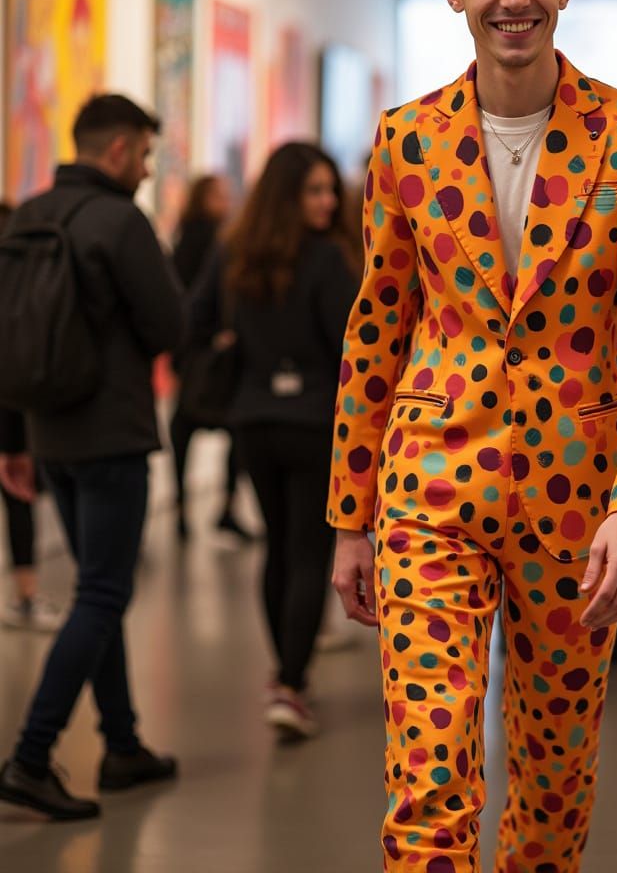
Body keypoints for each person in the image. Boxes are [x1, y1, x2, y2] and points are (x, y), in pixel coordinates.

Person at [327, 0, 617, 873]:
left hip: (578, 499)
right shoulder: (405, 139)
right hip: (428, 488)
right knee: (431, 777)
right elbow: (377, 330)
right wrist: (350, 515)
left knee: (553, 775)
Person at [0, 94, 184, 820]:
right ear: (116, 150)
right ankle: (31, 755)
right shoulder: (121, 221)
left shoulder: (28, 216)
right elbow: (168, 323)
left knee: (92, 590)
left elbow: (10, 340)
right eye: (142, 155)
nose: (143, 169)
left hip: (49, 434)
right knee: (104, 593)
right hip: (111, 433)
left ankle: (123, 744)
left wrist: (13, 442)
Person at [191, 143, 358, 740]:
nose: (327, 201)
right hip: (313, 423)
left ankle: (285, 675)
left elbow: (196, 323)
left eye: (329, 189)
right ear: (287, 195)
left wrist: (234, 347)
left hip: (254, 419)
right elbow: (353, 347)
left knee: (280, 550)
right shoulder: (328, 260)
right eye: (314, 190)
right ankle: (290, 682)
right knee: (306, 553)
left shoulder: (234, 254)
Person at [168, 173, 251, 545]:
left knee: (185, 432)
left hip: (197, 357)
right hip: (211, 359)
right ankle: (222, 508)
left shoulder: (199, 239)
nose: (228, 200)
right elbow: (194, 303)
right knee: (228, 433)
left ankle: (185, 510)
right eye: (220, 194)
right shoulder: (215, 242)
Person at [0, 203, 63, 633]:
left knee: (19, 501)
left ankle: (25, 595)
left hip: (12, 416)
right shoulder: (16, 287)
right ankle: (24, 594)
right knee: (19, 498)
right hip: (12, 415)